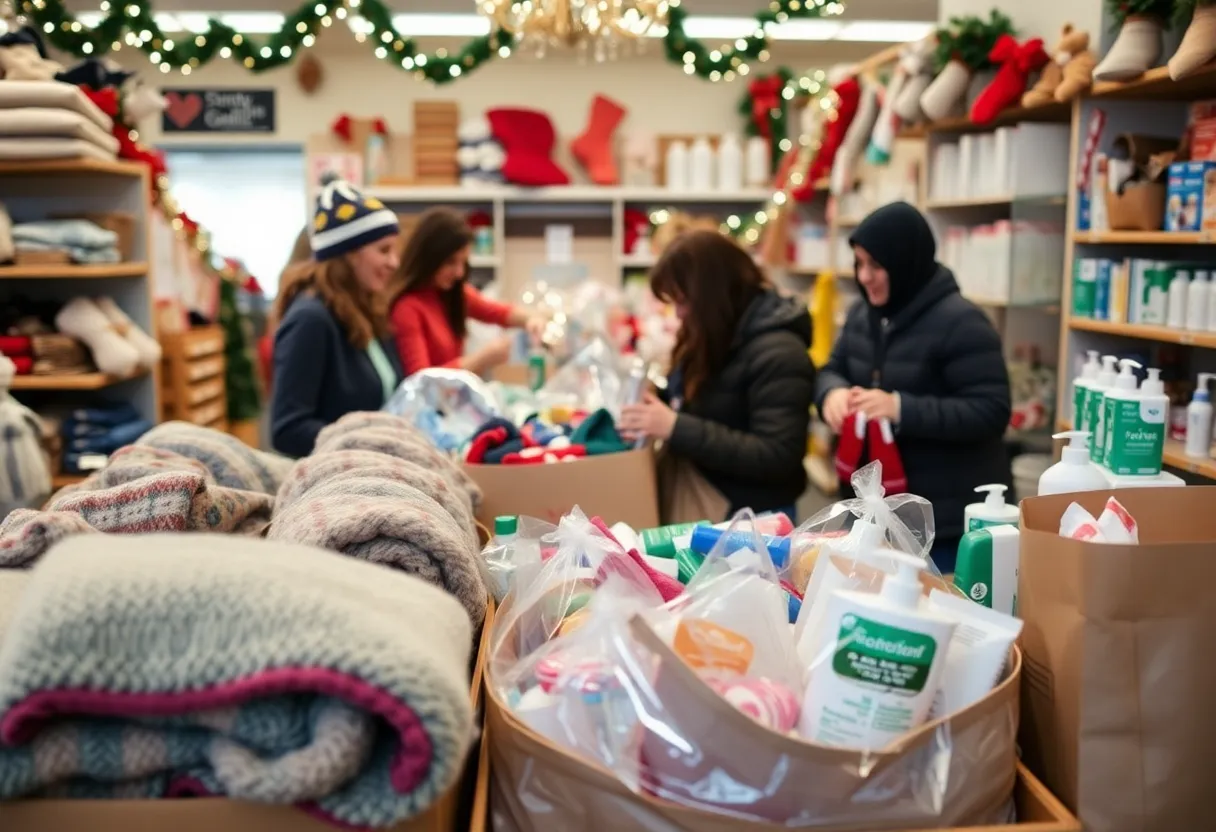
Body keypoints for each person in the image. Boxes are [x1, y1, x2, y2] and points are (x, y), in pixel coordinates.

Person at [816, 201, 1012, 572]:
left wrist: (901, 408)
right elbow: (832, 368)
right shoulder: (863, 315)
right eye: (858, 264)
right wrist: (832, 393)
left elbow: (991, 411)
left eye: (875, 265)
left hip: (944, 523)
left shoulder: (963, 322)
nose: (864, 276)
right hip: (879, 515)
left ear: (905, 262)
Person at [618, 230, 815, 518]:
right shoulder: (715, 330)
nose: (679, 315)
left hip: (753, 521)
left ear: (711, 294)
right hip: (708, 500)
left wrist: (675, 426)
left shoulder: (780, 353)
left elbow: (777, 455)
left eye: (683, 302)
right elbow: (706, 400)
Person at [269, 177, 403, 457]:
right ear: (350, 254)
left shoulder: (367, 311)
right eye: (384, 250)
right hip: (334, 483)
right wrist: (368, 441)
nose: (395, 262)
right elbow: (287, 429)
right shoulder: (311, 321)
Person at [387, 208, 544, 377]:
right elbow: (420, 381)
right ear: (430, 258)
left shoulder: (452, 293)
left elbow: (498, 312)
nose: (459, 273)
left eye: (463, 262)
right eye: (451, 262)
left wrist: (530, 320)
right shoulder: (407, 308)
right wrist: (480, 359)